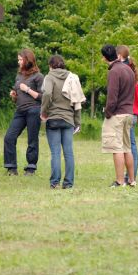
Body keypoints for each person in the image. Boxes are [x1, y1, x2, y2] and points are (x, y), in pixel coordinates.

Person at [40, 55, 85, 189]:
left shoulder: (49, 77)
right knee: (68, 152)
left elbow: (47, 93)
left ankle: (54, 182)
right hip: (68, 119)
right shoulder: (72, 77)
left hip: (53, 118)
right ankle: (68, 183)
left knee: (55, 153)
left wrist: (43, 111)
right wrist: (77, 122)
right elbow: (77, 101)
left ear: (51, 66)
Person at [4, 49, 44, 176]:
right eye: (18, 59)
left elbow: (43, 97)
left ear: (28, 60)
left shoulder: (38, 76)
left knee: (32, 139)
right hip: (20, 111)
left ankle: (31, 167)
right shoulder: (19, 76)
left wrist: (27, 89)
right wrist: (14, 95)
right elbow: (17, 97)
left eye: (20, 59)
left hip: (33, 110)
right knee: (9, 137)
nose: (18, 62)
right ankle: (11, 167)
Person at [100, 44, 136, 187]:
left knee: (117, 149)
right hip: (129, 113)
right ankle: (132, 180)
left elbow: (112, 97)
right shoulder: (128, 69)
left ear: (104, 58)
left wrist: (108, 112)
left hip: (117, 114)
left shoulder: (114, 71)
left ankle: (120, 181)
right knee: (127, 148)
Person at [116, 45, 138, 181]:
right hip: (133, 114)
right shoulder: (135, 82)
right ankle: (130, 175)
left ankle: (131, 176)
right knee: (129, 145)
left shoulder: (130, 83)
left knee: (130, 145)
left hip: (129, 113)